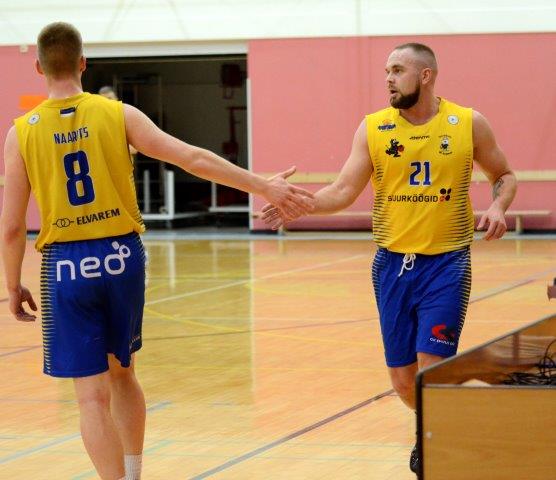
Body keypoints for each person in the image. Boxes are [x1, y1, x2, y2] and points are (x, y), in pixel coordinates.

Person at [0, 22, 313, 480]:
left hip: (65, 265)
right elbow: (192, 157)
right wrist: (263, 185)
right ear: (83, 62)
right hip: (122, 256)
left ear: (38, 68)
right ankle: (134, 472)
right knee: (124, 373)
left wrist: (12, 285)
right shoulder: (118, 114)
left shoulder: (21, 133)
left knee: (90, 398)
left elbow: (12, 228)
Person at [262, 42, 517, 474]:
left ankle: (435, 443)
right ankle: (438, 423)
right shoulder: (374, 128)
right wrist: (299, 203)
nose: (388, 79)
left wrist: (497, 206)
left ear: (425, 75)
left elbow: (504, 175)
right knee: (402, 381)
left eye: (397, 70)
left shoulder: (467, 123)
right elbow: (343, 191)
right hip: (392, 266)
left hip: (447, 263)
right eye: (386, 71)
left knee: (431, 369)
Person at [98, 86, 138, 155]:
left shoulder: (126, 117)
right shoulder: (96, 121)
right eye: (103, 100)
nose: (107, 102)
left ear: (116, 99)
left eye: (110, 98)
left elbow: (134, 149)